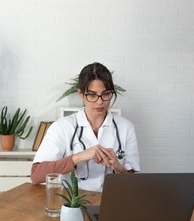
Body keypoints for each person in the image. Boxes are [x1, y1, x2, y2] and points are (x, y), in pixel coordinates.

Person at [30, 62, 140, 192]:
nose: (100, 101)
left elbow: (133, 183)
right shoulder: (61, 127)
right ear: (81, 94)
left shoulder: (126, 128)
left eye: (106, 94)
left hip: (111, 200)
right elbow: (36, 175)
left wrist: (118, 167)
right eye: (92, 95)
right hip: (72, 203)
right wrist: (80, 157)